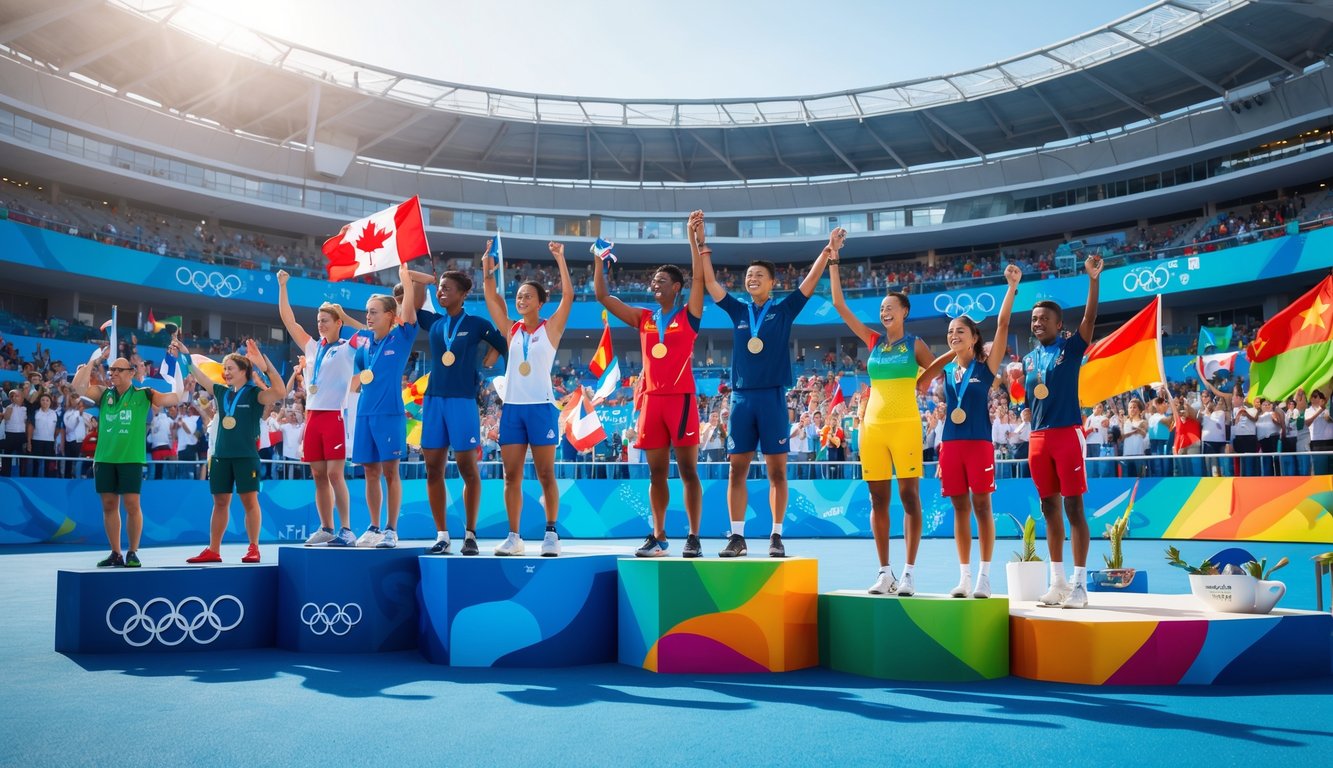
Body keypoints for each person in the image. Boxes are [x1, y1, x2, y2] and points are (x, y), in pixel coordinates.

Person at [698, 215, 837, 558]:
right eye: (749, 276)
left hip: (773, 396)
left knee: (777, 471)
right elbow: (712, 285)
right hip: (742, 398)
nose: (752, 279)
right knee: (737, 470)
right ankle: (737, 537)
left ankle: (776, 535)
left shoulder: (785, 309)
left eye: (759, 275)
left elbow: (809, 281)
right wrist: (702, 246)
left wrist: (828, 250)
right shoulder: (737, 310)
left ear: (772, 282)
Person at [595, 218, 706, 558]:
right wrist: (599, 261)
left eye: (662, 280)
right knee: (656, 472)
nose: (655, 284)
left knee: (688, 470)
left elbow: (700, 276)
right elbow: (602, 295)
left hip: (681, 399)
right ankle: (658, 536)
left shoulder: (689, 315)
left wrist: (693, 238)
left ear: (677, 287)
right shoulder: (643, 317)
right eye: (653, 280)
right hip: (652, 401)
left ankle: (694, 537)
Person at [830, 254, 937, 596]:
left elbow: (940, 370)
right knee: (877, 499)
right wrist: (834, 262)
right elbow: (839, 304)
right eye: (881, 308)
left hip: (905, 425)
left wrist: (924, 381)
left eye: (891, 307)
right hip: (871, 428)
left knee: (908, 497)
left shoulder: (915, 344)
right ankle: (885, 572)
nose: (885, 312)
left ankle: (908, 573)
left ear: (905, 311)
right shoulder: (874, 341)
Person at [917, 264, 1020, 599]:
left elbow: (1002, 324)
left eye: (960, 331)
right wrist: (954, 350)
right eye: (949, 331)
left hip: (978, 445)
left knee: (982, 507)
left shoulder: (986, 368)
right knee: (959, 509)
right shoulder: (948, 372)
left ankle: (984, 577)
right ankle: (964, 577)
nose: (953, 334)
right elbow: (921, 382)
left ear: (975, 337)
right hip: (951, 446)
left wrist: (1011, 287)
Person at [401, 266, 506, 555]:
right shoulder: (434, 322)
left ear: (462, 294)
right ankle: (442, 535)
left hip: (462, 401)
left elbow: (505, 341)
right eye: (440, 288)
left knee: (467, 469)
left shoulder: (476, 324)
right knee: (432, 469)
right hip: (434, 401)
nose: (441, 292)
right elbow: (416, 297)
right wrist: (424, 280)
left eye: (447, 288)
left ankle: (470, 534)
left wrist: (492, 353)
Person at [481, 241, 573, 556]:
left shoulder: (551, 329)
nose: (521, 299)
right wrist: (487, 273)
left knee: (546, 473)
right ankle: (514, 536)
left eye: (527, 296)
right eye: (519, 296)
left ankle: (551, 533)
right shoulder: (511, 330)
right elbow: (493, 300)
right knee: (511, 476)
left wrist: (560, 258)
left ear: (540, 302)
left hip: (542, 408)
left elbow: (569, 297)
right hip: (513, 411)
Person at [1024, 253, 1102, 609]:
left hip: (1067, 435)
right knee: (1049, 509)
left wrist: (1093, 280)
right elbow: (1030, 397)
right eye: (1035, 318)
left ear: (1059, 325)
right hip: (1038, 439)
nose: (1038, 323)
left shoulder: (1071, 348)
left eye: (1045, 319)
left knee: (1074, 508)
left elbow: (1089, 319)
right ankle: (1056, 583)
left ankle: (1080, 586)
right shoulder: (1027, 360)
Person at [175, 338, 286, 563]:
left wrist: (264, 365)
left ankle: (253, 548)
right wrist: (185, 355)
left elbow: (280, 391)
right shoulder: (220, 392)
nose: (225, 372)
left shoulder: (255, 394)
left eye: (230, 368)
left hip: (245, 456)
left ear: (244, 371)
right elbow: (198, 375)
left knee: (249, 501)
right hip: (221, 457)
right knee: (220, 502)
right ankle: (213, 550)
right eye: (224, 368)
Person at [71, 346, 181, 567]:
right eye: (111, 370)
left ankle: (132, 551)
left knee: (132, 505)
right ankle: (115, 553)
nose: (113, 373)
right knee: (109, 505)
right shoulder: (104, 394)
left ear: (131, 373)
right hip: (104, 459)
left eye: (119, 370)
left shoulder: (144, 394)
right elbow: (77, 387)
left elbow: (173, 399)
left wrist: (180, 377)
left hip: (130, 459)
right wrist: (94, 361)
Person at [277, 269, 360, 546]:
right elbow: (288, 321)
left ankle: (347, 530)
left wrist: (347, 318)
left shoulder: (349, 347)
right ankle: (326, 527)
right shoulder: (312, 347)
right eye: (318, 321)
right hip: (312, 417)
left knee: (336, 474)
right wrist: (283, 286)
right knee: (318, 475)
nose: (320, 324)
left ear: (338, 322)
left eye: (325, 320)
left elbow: (372, 334)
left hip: (334, 417)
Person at [348, 266, 421, 549]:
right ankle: (373, 526)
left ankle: (391, 529)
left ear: (391, 315)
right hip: (364, 413)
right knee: (370, 472)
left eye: (374, 311)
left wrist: (405, 277)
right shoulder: (364, 345)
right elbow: (356, 381)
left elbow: (410, 307)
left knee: (390, 472)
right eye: (367, 312)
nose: (368, 316)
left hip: (389, 413)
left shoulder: (401, 336)